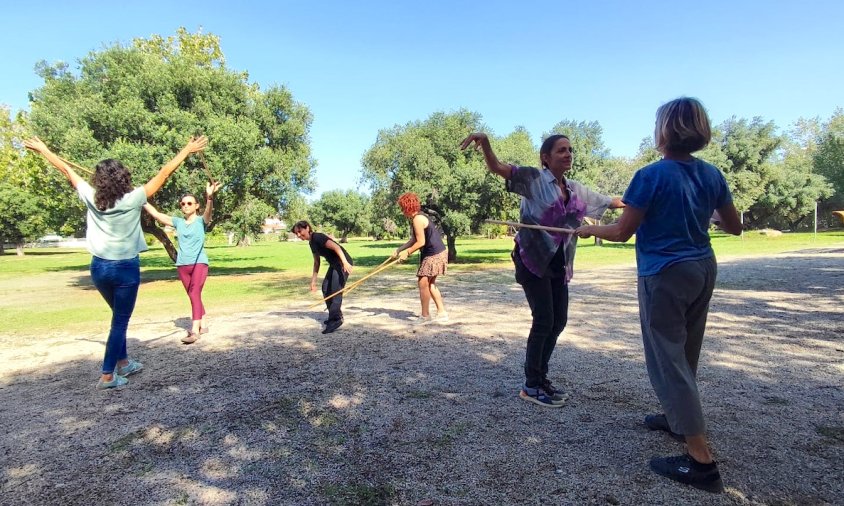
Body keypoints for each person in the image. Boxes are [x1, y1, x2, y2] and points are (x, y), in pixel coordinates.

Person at [575, 97, 742, 493]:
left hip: (664, 273)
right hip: (702, 267)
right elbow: (734, 226)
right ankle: (676, 417)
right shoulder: (712, 174)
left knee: (668, 358)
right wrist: (701, 211)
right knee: (686, 353)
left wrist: (589, 230)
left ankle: (701, 461)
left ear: (665, 129)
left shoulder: (649, 176)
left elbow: (620, 231)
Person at [24, 135, 208, 389]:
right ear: (124, 178)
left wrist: (44, 149)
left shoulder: (91, 195)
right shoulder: (134, 198)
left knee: (117, 318)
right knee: (120, 322)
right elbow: (164, 173)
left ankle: (123, 362)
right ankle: (107, 375)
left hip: (99, 267)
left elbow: (66, 169)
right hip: (124, 268)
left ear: (99, 180)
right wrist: (186, 150)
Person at [460, 132, 624, 408]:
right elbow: (498, 168)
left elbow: (611, 202)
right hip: (532, 259)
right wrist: (486, 144)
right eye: (561, 150)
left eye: (570, 150)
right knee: (544, 320)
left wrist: (645, 199)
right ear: (545, 158)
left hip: (559, 262)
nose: (568, 154)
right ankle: (531, 385)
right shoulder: (534, 179)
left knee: (558, 321)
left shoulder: (575, 189)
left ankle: (540, 378)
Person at [143, 181, 221, 344]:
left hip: (199, 263)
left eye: (189, 203)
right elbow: (158, 215)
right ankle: (203, 323)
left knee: (194, 293)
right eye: (183, 203)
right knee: (193, 295)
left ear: (196, 206)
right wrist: (142, 201)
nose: (186, 205)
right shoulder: (178, 222)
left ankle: (194, 331)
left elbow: (208, 212)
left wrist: (209, 197)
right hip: (182, 264)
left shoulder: (201, 221)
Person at [392, 192, 449, 324]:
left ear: (408, 207)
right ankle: (442, 313)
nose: (402, 212)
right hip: (437, 252)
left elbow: (420, 242)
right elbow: (413, 239)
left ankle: (425, 316)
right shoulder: (418, 218)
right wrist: (399, 250)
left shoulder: (418, 219)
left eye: (402, 208)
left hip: (434, 253)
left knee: (423, 282)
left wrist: (407, 253)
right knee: (429, 283)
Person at [291, 220, 354, 334]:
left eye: (300, 231)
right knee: (325, 288)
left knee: (335, 289)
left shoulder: (318, 237)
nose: (299, 235)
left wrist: (345, 263)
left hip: (342, 262)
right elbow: (316, 262)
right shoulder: (312, 243)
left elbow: (336, 247)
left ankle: (336, 319)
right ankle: (334, 315)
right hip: (335, 264)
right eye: (296, 233)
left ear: (307, 228)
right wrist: (313, 281)